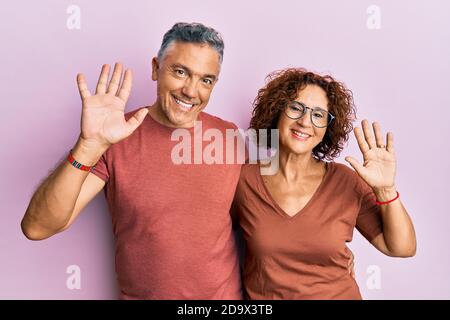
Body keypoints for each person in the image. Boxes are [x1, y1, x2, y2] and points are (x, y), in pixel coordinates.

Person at [21, 22, 243, 299]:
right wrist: (88, 146)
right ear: (155, 68)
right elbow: (37, 227)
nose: (190, 90)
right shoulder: (114, 136)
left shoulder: (231, 137)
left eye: (206, 80)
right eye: (180, 71)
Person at [231, 68, 417, 299]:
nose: (305, 122)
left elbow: (401, 247)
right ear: (277, 111)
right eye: (296, 108)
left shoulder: (346, 181)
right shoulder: (244, 180)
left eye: (318, 115)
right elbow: (211, 239)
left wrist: (386, 189)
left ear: (328, 127)